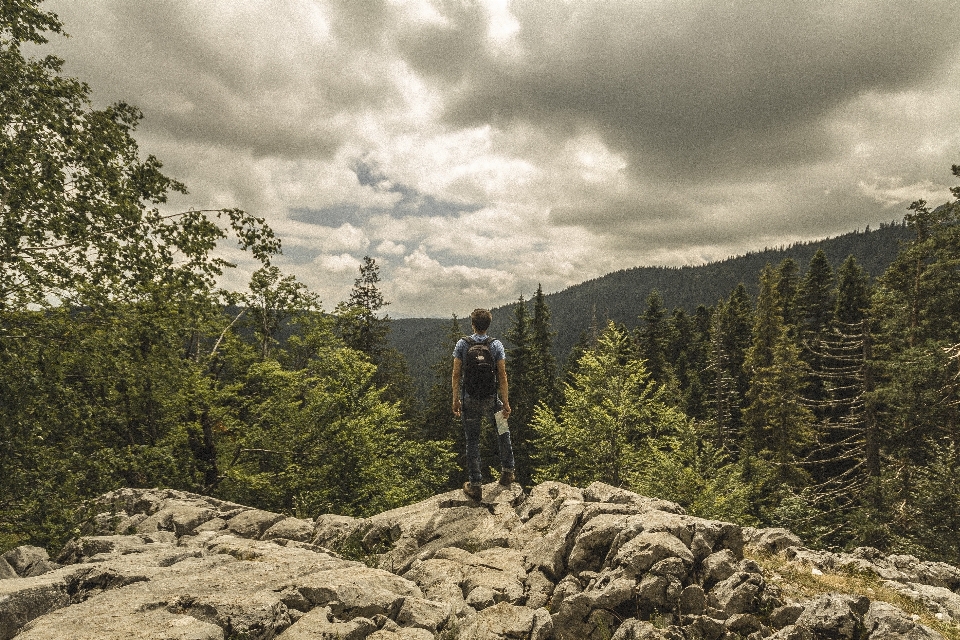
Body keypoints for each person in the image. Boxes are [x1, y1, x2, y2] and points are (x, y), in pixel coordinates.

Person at [452, 308, 515, 500]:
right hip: (491, 399)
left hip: (470, 400)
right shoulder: (496, 345)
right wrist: (505, 402)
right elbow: (502, 375)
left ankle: (476, 484)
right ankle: (508, 472)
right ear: (488, 324)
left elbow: (456, 374)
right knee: (503, 431)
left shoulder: (463, 344)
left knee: (472, 441)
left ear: (472, 324)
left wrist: (456, 400)